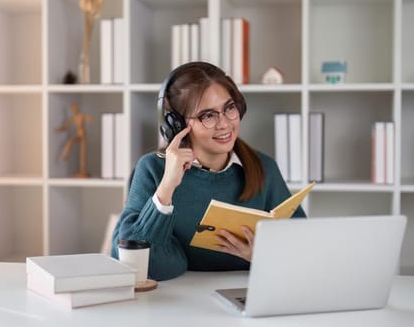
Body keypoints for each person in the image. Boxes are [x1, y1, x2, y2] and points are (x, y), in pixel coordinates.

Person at [111, 62, 306, 281]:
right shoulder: (153, 169)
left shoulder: (263, 167)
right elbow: (130, 260)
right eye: (208, 115)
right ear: (176, 125)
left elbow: (302, 249)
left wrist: (263, 255)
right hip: (179, 304)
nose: (224, 124)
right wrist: (167, 187)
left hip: (249, 296)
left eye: (229, 108)